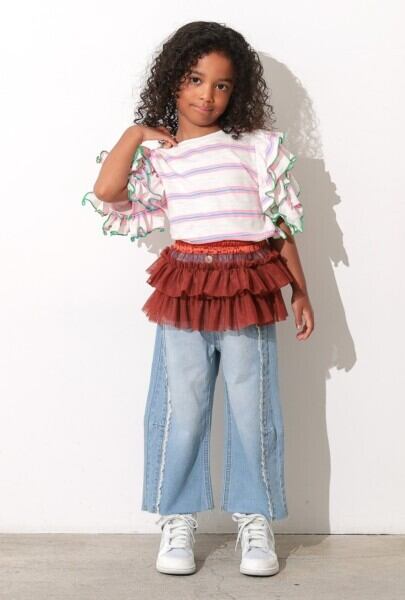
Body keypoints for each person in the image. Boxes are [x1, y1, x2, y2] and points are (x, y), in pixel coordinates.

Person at [82, 21, 314, 577]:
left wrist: (300, 290)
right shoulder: (162, 157)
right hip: (185, 289)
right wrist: (136, 133)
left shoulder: (255, 147)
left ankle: (254, 519)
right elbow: (107, 192)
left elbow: (279, 227)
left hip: (248, 288)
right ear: (172, 81)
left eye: (221, 85)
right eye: (194, 79)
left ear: (237, 91)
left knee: (252, 407)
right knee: (180, 407)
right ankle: (177, 517)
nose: (207, 95)